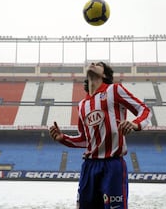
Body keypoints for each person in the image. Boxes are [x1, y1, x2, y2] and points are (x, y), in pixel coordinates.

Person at [49, 61, 152, 209]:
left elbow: (144, 110)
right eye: (92, 62)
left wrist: (135, 124)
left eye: (98, 64)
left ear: (104, 74)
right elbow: (85, 140)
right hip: (89, 167)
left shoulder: (114, 90)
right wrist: (63, 138)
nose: (93, 63)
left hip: (112, 164)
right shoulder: (82, 105)